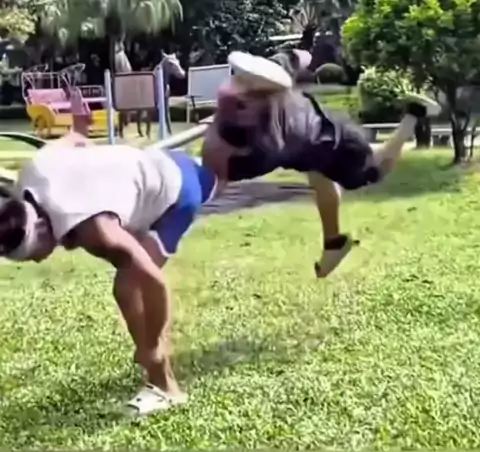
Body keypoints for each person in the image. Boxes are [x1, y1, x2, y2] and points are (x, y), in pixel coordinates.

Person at [0, 130, 217, 416]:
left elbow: (155, 283)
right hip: (157, 161)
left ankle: (166, 388)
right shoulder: (33, 170)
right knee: (127, 277)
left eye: (32, 255)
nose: (39, 261)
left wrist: (151, 344)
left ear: (40, 228)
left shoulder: (96, 229)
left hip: (177, 194)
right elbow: (75, 138)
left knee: (128, 286)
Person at [202, 51, 441, 278]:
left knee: (375, 169)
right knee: (318, 172)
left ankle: (414, 114)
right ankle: (333, 243)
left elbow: (221, 173)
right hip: (309, 141)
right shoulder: (267, 93)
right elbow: (300, 57)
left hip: (327, 141)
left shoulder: (265, 142)